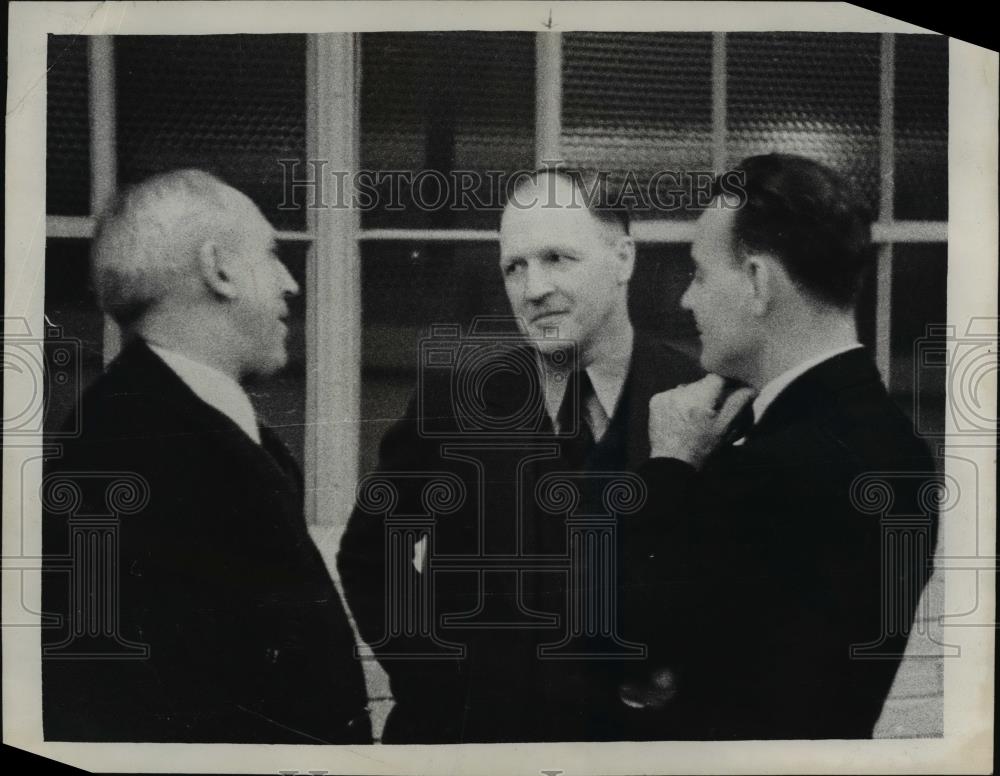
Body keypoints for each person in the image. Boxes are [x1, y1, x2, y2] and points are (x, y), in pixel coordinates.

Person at [337, 168, 700, 742]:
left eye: (558, 259)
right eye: (515, 266)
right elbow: (370, 558)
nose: (533, 290)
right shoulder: (453, 402)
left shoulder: (700, 398)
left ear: (623, 258)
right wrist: (439, 688)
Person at [41, 169, 371, 744]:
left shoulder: (184, 426)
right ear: (218, 268)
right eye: (271, 255)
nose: (291, 284)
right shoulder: (124, 450)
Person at [628, 153, 938, 739]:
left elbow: (625, 636)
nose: (686, 302)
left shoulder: (770, 468)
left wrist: (668, 464)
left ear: (756, 282)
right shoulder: (901, 448)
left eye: (698, 274)